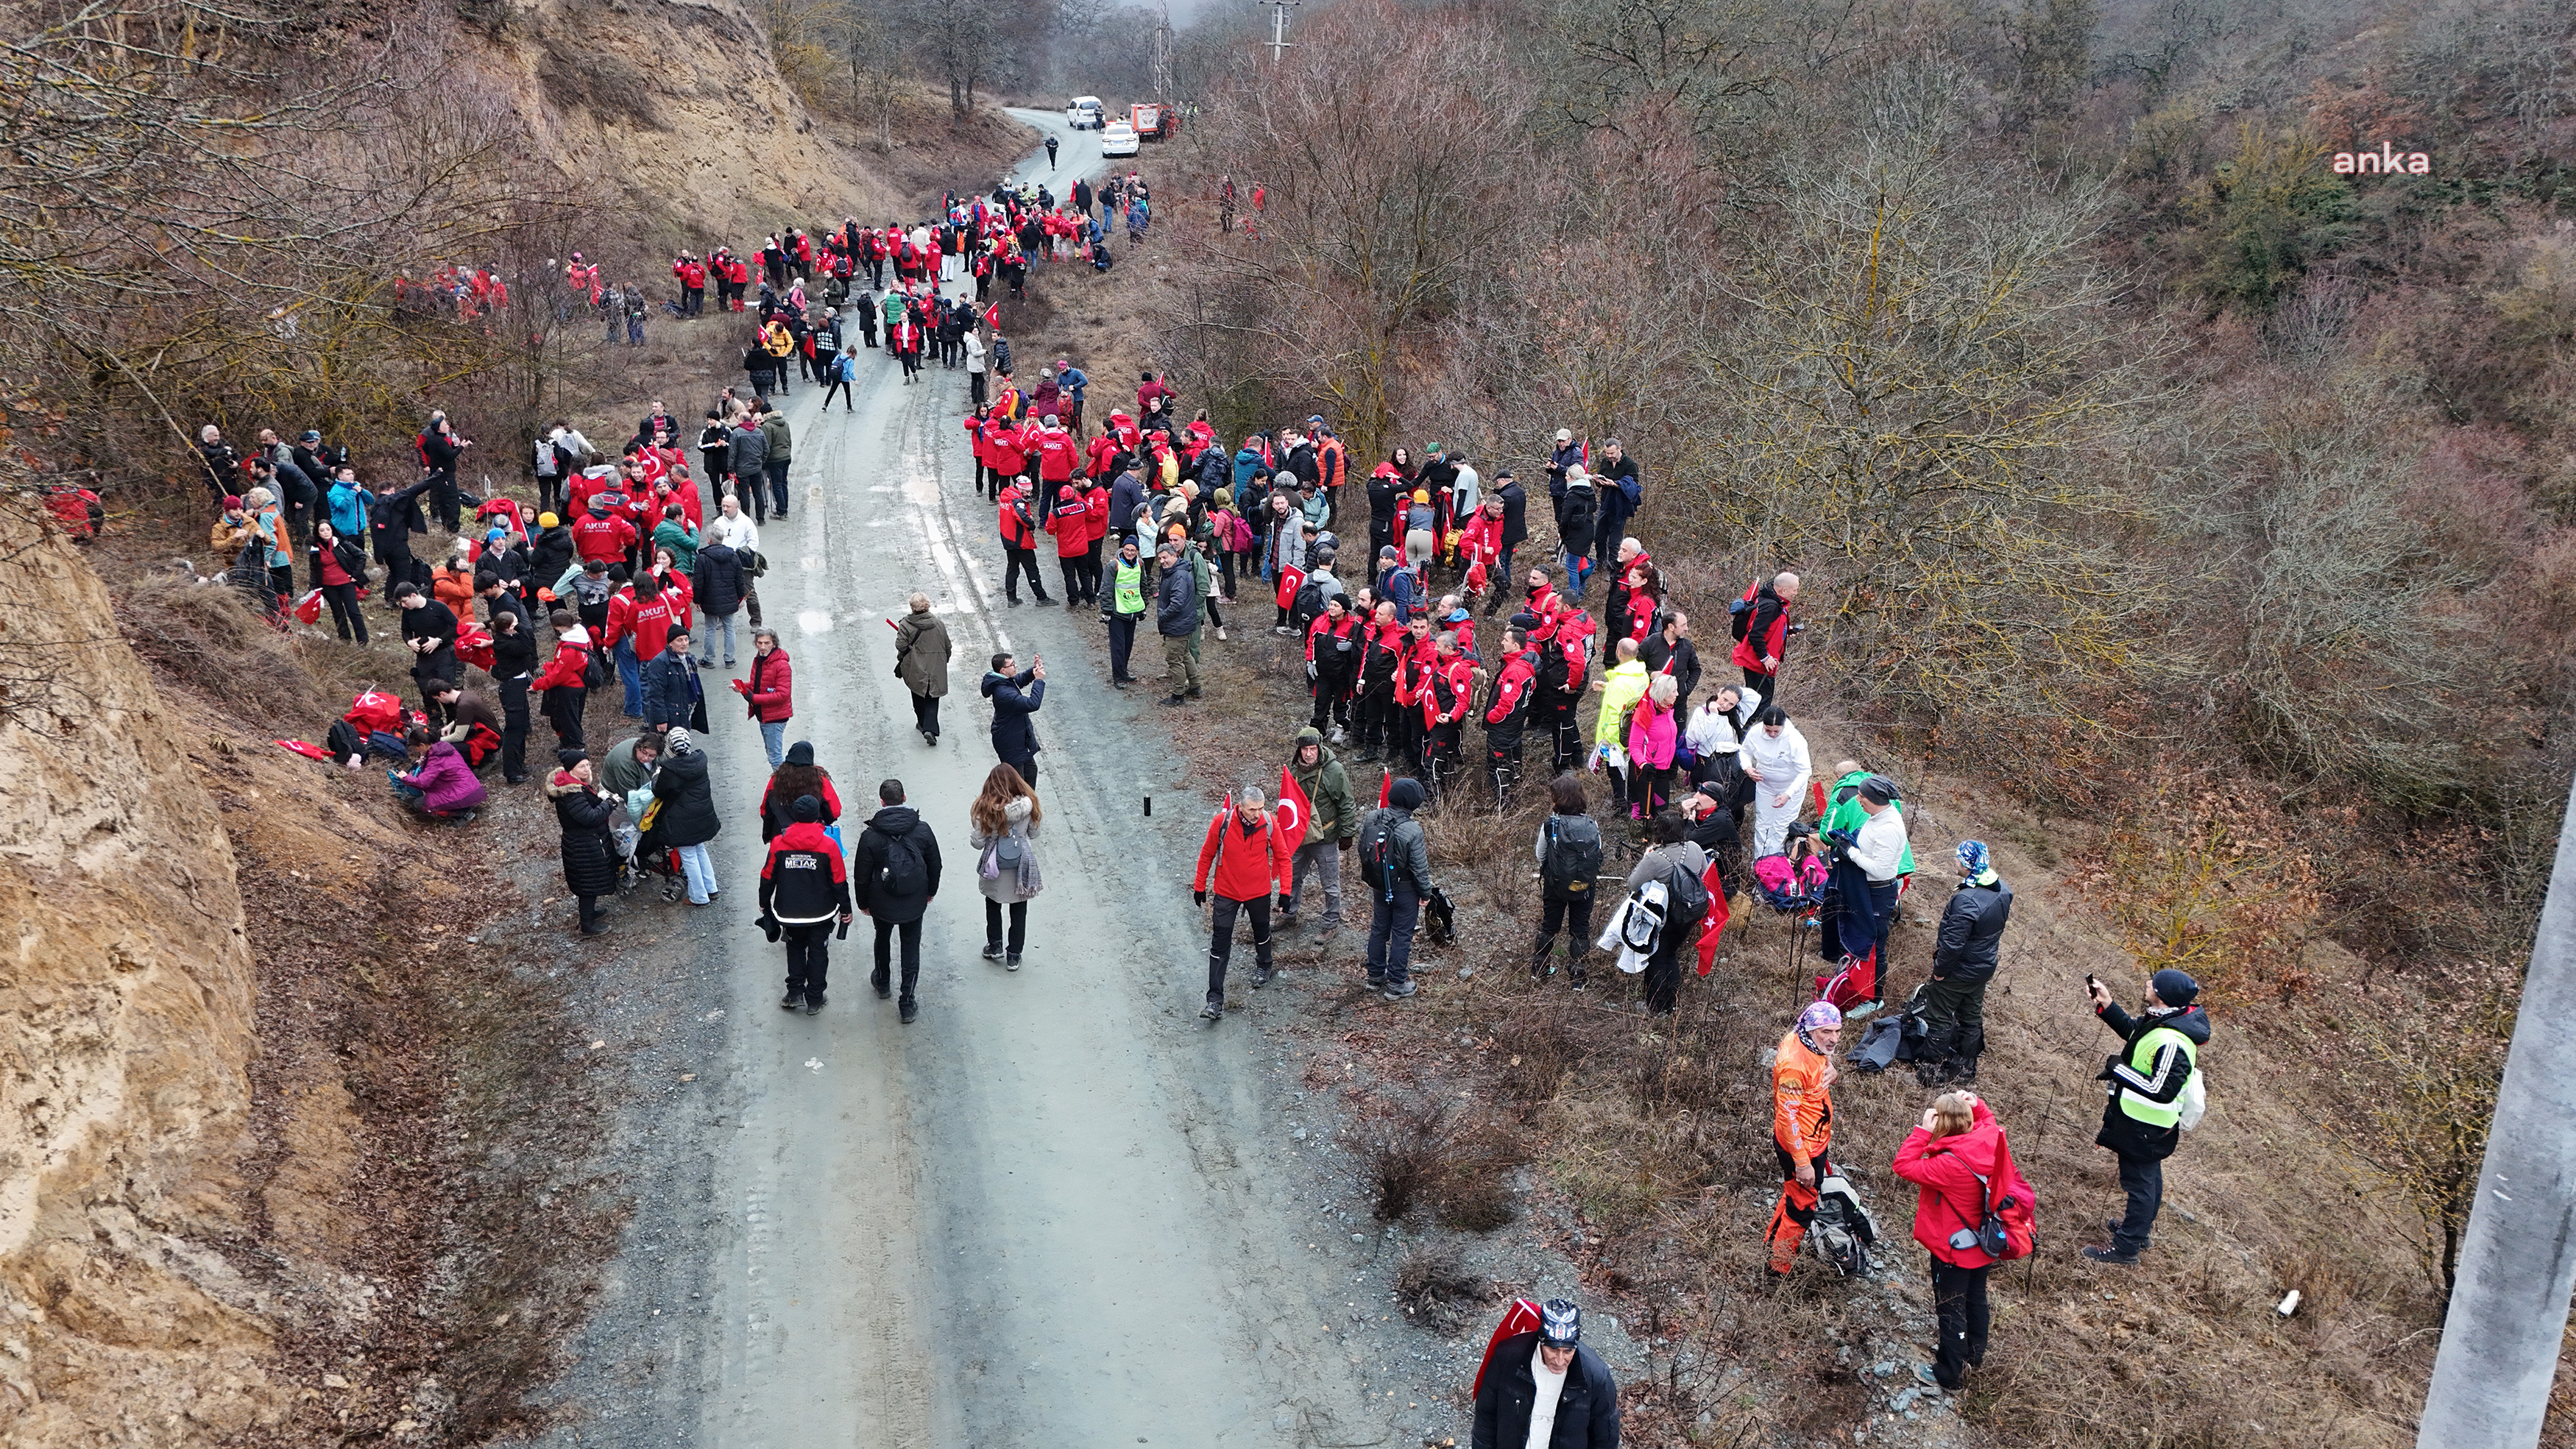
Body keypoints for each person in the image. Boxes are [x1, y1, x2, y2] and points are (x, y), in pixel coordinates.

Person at [1892, 1091, 2028, 1393]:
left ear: (1941, 1125)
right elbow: (1989, 1121)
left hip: (1953, 1249)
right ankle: (1972, 1356)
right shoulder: (1990, 1139)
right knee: (1975, 1299)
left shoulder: (1948, 1165)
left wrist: (1922, 1132)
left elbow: (1903, 1166)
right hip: (1984, 1241)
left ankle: (1948, 1373)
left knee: (1950, 1308)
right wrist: (1978, 1105)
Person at [2084, 968, 2210, 1266]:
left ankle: (2126, 1248)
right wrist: (2107, 1005)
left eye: (2154, 983)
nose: (2147, 984)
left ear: (2163, 997)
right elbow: (2135, 1033)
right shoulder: (2166, 1019)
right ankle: (2138, 1233)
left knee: (2139, 1184)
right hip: (2147, 1123)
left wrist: (2119, 1069)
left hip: (2145, 1124)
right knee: (2149, 1178)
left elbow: (2161, 1088)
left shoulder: (2174, 1040)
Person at [1190, 784, 1297, 1021]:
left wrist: (1285, 893)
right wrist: (1199, 886)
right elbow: (1207, 853)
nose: (1257, 814)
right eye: (1252, 810)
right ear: (1240, 806)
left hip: (1258, 891)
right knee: (1220, 943)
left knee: (1261, 931)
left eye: (1260, 809)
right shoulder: (1222, 822)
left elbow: (1283, 857)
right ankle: (1214, 1000)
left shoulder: (1269, 823)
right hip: (1227, 892)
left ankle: (1265, 965)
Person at [1919, 841, 2014, 1086]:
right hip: (1983, 968)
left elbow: (1952, 945)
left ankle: (1931, 1074)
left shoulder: (1966, 901)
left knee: (1938, 1016)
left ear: (1968, 865)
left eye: (1959, 859)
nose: (1955, 863)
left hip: (1958, 971)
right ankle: (1964, 1072)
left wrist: (1940, 971)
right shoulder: (2003, 889)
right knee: (1971, 1017)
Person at [1468, 1298, 1621, 1449]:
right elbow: (1486, 1418)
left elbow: (1605, 1439)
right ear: (1541, 1341)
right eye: (1553, 1349)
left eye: (1568, 1351)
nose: (1560, 1361)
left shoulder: (1597, 1377)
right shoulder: (1507, 1357)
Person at [854, 779, 941, 1024]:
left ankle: (882, 981)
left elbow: (861, 875)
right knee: (911, 947)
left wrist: (863, 903)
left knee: (882, 938)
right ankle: (907, 1001)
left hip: (882, 901)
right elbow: (935, 864)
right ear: (904, 798)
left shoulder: (871, 836)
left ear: (882, 802)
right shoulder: (922, 829)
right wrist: (930, 891)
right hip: (914, 900)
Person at [761, 795, 854, 1014]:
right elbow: (839, 880)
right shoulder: (829, 845)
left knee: (794, 949)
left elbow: (767, 875)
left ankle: (794, 993)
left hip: (789, 912)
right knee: (818, 953)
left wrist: (764, 902)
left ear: (794, 815)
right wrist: (846, 909)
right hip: (821, 913)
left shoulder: (779, 843)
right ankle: (814, 999)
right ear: (816, 817)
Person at [1769, 1000, 1842, 1274]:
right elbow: (1787, 1117)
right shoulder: (1793, 1067)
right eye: (1826, 1032)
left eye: (1837, 1031)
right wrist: (1802, 1163)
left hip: (1814, 1140)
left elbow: (1822, 1059)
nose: (1833, 1039)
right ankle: (1778, 1269)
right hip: (1803, 1148)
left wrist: (1831, 1070)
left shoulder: (1802, 1038)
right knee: (1802, 1209)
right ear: (1811, 1030)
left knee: (1794, 1196)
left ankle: (1772, 1245)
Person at [1825, 773, 1908, 1010]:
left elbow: (1881, 870)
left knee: (1873, 945)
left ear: (1874, 799)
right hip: (1863, 887)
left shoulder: (1890, 827)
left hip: (1877, 892)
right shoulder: (1878, 815)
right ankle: (1849, 983)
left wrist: (1850, 852)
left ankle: (1873, 999)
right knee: (1856, 937)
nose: (1858, 799)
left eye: (1862, 796)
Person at [1361, 776, 1437, 1000]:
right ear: (1412, 804)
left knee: (1379, 929)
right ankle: (1396, 983)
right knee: (1402, 935)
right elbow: (1419, 868)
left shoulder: (1372, 817)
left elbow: (1362, 850)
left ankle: (1375, 976)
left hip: (1379, 885)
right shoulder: (1412, 830)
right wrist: (1426, 893)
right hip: (1404, 890)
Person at [1624, 811, 1706, 1015]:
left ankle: (1656, 1007)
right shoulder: (1695, 848)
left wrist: (1647, 858)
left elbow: (1633, 884)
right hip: (1689, 914)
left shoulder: (1654, 859)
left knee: (1658, 958)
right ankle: (1671, 1003)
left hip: (1663, 917)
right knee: (1672, 955)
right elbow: (1704, 872)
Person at [1282, 726, 1358, 935]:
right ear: (1299, 750)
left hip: (1325, 836)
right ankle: (1288, 914)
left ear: (1320, 747)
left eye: (1313, 748)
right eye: (1305, 749)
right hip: (1299, 836)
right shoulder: (1293, 770)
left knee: (1330, 884)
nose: (1309, 754)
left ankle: (1330, 923)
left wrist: (1347, 833)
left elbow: (1346, 803)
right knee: (1292, 877)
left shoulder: (1334, 771)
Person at [969, 764, 1044, 970]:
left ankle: (995, 945)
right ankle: (1014, 955)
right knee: (1019, 906)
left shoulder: (986, 808)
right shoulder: (1029, 804)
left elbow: (977, 842)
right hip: (1022, 861)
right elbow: (1035, 833)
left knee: (993, 901)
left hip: (995, 863)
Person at [1532, 773, 1603, 985]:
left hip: (1555, 886)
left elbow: (1540, 855)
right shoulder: (1592, 824)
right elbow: (1598, 853)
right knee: (1580, 930)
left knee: (1549, 927)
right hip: (1585, 886)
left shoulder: (1551, 825)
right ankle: (1578, 979)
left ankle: (1540, 971)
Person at [546, 750, 620, 935]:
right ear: (571, 770)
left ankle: (590, 913)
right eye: (582, 766)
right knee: (588, 884)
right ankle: (587, 925)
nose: (587, 769)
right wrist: (609, 804)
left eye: (588, 764)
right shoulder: (572, 793)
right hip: (583, 844)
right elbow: (589, 818)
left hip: (585, 841)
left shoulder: (573, 785)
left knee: (590, 880)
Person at [648, 728, 721, 906]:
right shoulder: (699, 761)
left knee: (688, 855)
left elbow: (659, 791)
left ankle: (699, 897)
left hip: (682, 820)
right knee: (700, 849)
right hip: (702, 815)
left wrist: (656, 777)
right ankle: (711, 889)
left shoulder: (670, 769)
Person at [1739, 706, 1811, 857]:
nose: (1772, 734)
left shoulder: (1795, 739)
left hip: (1790, 789)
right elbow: (1744, 751)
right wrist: (1747, 768)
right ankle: (1760, 861)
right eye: (1768, 730)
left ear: (1783, 726)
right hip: (1765, 786)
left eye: (1776, 731)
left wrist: (1788, 794)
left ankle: (1776, 862)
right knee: (1762, 824)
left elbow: (1805, 771)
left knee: (1781, 828)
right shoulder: (1755, 733)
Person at [1591, 637, 1648, 813]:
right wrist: (1608, 687)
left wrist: (1608, 741)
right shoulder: (1641, 675)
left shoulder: (1621, 683)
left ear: (1618, 652)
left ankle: (1621, 804)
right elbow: (1629, 699)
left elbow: (1616, 713)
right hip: (1634, 730)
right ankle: (1629, 799)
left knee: (1616, 773)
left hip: (1617, 739)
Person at [394, 581, 460, 728]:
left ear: (413, 595)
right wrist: (409, 642)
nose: (404, 605)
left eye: (404, 601)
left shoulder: (438, 607)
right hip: (424, 657)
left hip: (444, 653)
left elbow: (456, 626)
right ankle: (435, 722)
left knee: (445, 689)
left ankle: (454, 722)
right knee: (426, 690)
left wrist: (439, 640)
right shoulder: (408, 611)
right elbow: (405, 630)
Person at [389, 726, 486, 822]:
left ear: (423, 745)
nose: (417, 750)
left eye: (417, 747)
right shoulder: (445, 749)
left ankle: (461, 813)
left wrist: (405, 777)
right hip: (474, 789)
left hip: (464, 794)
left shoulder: (436, 758)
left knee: (419, 804)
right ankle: (462, 806)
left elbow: (422, 783)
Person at [894, 594, 952, 744]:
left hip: (916, 665)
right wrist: (945, 659)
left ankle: (921, 722)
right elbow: (947, 645)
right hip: (935, 664)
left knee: (918, 692)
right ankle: (930, 729)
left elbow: (900, 645)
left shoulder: (906, 624)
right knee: (933, 697)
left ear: (912, 606)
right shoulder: (938, 623)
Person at [980, 650, 1045, 787]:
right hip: (1010, 743)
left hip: (1019, 740)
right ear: (1003, 670)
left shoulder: (1004, 680)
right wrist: (1039, 680)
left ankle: (1030, 805)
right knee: (1017, 784)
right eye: (1012, 665)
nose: (1015, 667)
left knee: (1031, 772)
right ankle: (1018, 807)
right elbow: (1032, 704)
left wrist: (1034, 671)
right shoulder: (1003, 693)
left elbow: (1019, 680)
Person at [1732, 571, 1800, 698]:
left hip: (1760, 662)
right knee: (1759, 704)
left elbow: (1766, 626)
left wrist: (1785, 631)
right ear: (1783, 590)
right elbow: (1755, 635)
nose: (1796, 593)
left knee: (1756, 700)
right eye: (1795, 590)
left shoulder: (1769, 600)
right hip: (1759, 663)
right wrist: (1765, 658)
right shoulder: (1771, 606)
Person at [488, 611, 536, 784]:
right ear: (510, 628)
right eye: (515, 624)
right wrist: (521, 627)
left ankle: (519, 763)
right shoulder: (504, 644)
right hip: (512, 688)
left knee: (521, 727)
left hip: (518, 685)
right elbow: (526, 647)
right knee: (514, 729)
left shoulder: (507, 640)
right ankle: (512, 771)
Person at [735, 628, 793, 766]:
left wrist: (753, 698)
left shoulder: (782, 666)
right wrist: (743, 686)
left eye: (767, 643)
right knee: (772, 753)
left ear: (774, 644)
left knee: (775, 757)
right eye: (759, 643)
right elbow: (759, 684)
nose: (762, 647)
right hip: (765, 716)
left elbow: (783, 695)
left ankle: (783, 786)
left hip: (774, 718)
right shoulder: (759, 660)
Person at [308, 520, 369, 644]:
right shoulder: (315, 549)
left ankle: (363, 641)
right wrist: (313, 588)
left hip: (346, 583)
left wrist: (355, 575)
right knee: (338, 613)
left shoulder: (341, 544)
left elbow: (362, 556)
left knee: (353, 612)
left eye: (328, 529)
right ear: (318, 533)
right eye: (322, 530)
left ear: (332, 530)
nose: (325, 532)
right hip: (328, 586)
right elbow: (314, 569)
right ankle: (345, 640)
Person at [1156, 542, 1202, 705]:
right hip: (1183, 623)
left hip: (1177, 625)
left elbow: (1177, 604)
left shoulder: (1179, 575)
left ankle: (1178, 695)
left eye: (1165, 557)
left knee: (1175, 660)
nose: (1162, 561)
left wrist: (1162, 616)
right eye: (1160, 558)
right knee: (1185, 655)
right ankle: (1195, 687)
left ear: (1174, 556)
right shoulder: (1173, 572)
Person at [694, 534, 749, 670]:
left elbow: (698, 583)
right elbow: (740, 579)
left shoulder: (702, 558)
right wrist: (741, 597)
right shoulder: (733, 556)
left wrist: (697, 600)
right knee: (730, 629)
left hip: (710, 600)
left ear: (709, 540)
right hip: (730, 599)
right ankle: (729, 659)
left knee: (710, 629)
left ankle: (708, 659)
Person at [1103, 536, 1147, 687]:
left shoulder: (1140, 564)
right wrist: (1107, 611)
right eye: (1127, 550)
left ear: (1137, 552)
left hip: (1133, 611)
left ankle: (1124, 671)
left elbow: (1143, 585)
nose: (1129, 553)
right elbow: (1106, 589)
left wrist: (1143, 607)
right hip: (1117, 613)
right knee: (1118, 647)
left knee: (1128, 645)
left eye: (1133, 550)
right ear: (1122, 549)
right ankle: (1118, 677)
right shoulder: (1113, 566)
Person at [641, 630, 703, 736]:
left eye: (686, 639)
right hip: (669, 718)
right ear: (670, 643)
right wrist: (661, 720)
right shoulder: (660, 662)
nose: (684, 643)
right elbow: (656, 694)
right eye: (679, 640)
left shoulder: (689, 659)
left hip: (684, 714)